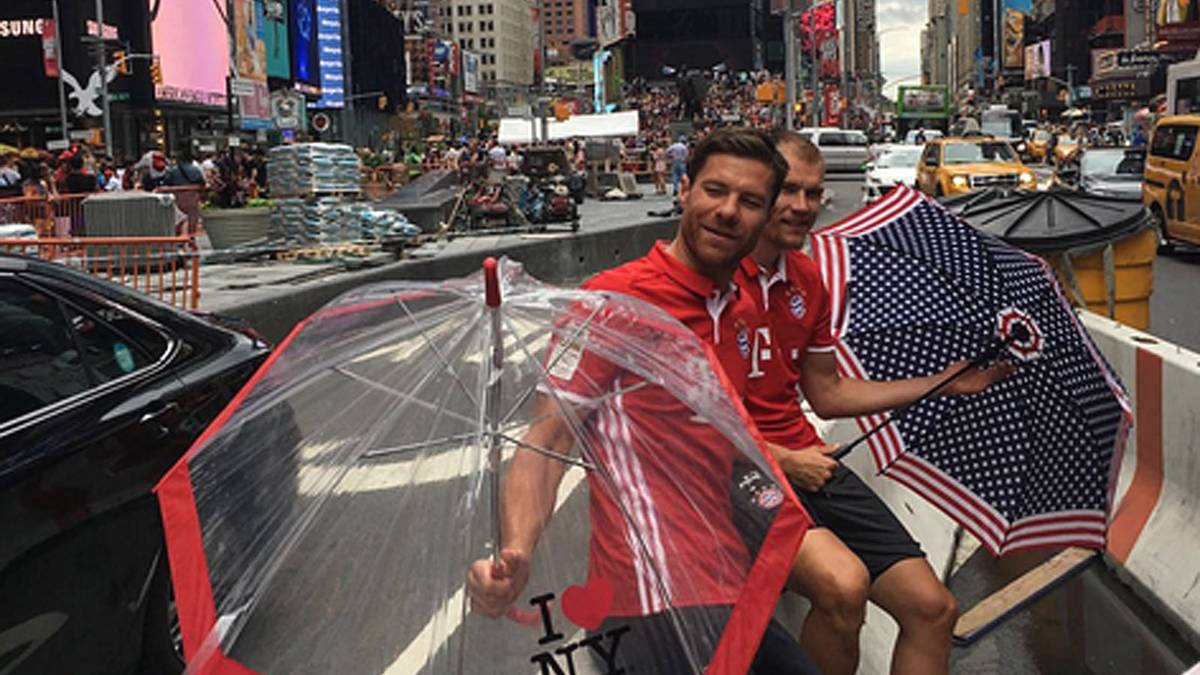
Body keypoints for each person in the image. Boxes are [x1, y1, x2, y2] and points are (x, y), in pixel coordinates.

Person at [467, 128, 820, 673]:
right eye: (714, 191)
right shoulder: (610, 305)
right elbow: (548, 438)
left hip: (730, 579)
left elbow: (722, 444)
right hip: (651, 596)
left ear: (766, 215)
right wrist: (517, 552)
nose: (728, 211)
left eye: (749, 201)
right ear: (684, 191)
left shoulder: (742, 309)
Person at [736, 131, 1010, 675]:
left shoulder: (807, 279)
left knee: (934, 608)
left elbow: (829, 393)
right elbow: (689, 418)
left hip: (809, 462)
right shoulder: (718, 275)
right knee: (842, 587)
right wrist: (781, 460)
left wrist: (943, 382)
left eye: (813, 194)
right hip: (743, 471)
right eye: (787, 190)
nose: (802, 207)